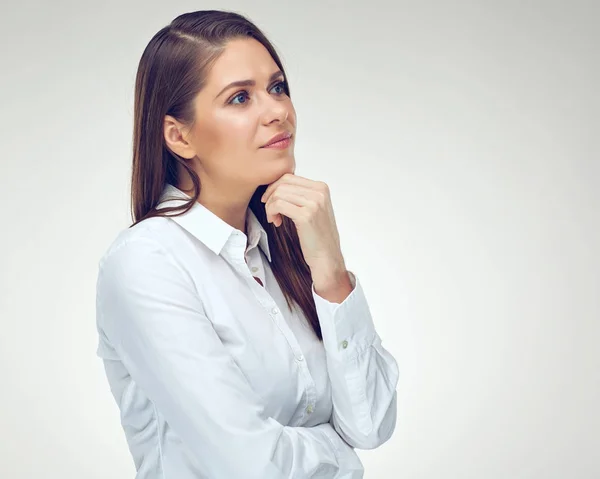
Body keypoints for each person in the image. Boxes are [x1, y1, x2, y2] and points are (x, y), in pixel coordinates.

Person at [95, 9, 399, 479]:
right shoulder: (148, 262)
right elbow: (248, 464)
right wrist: (338, 453)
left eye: (277, 87)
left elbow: (372, 424)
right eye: (240, 98)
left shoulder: (278, 251)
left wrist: (331, 270)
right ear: (179, 135)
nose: (277, 110)